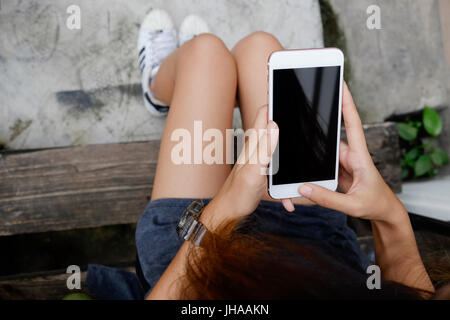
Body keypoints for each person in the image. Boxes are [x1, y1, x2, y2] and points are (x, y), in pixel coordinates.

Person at [88, 8, 445, 300]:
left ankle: (157, 86)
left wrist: (225, 207)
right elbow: (413, 294)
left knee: (205, 54)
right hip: (315, 245)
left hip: (200, 271)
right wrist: (388, 214)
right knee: (262, 49)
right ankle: (192, 93)